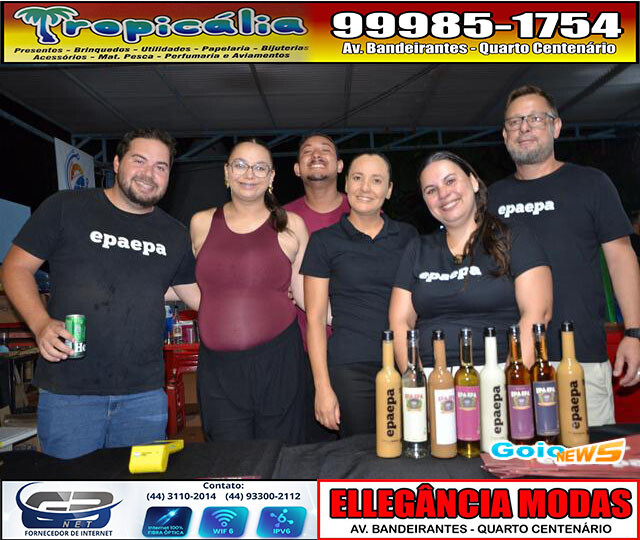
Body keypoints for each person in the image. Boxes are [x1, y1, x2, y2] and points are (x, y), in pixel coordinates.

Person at [1, 128, 200, 459]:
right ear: (117, 163)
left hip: (143, 397)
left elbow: (202, 297)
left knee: (136, 488)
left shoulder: (175, 235)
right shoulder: (66, 207)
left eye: (161, 166)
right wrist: (40, 323)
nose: (149, 174)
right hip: (70, 395)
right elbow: (15, 267)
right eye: (140, 161)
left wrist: (272, 297)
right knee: (71, 487)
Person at [489, 85, 640, 426]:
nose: (524, 127)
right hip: (512, 363)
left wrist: (634, 333)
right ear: (504, 135)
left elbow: (621, 258)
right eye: (515, 121)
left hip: (580, 357)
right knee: (518, 456)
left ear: (556, 127)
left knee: (588, 455)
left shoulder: (591, 184)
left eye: (535, 118)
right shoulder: (491, 198)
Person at [389, 151, 552, 373]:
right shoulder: (417, 248)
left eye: (450, 181)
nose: (443, 193)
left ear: (474, 182)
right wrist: (414, 379)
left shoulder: (513, 237)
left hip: (501, 373)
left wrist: (512, 377)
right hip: (431, 377)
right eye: (431, 190)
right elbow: (400, 322)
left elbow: (537, 313)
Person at [190, 139, 309, 443]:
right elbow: (189, 285)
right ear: (226, 172)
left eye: (259, 167)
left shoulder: (291, 225)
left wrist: (351, 319)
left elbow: (306, 297)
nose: (249, 174)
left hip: (279, 363)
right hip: (218, 370)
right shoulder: (201, 223)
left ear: (271, 177)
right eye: (240, 165)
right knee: (230, 461)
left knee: (279, 456)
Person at [301, 153, 417, 436]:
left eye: (376, 180)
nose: (365, 187)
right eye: (357, 178)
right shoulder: (323, 241)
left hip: (404, 363)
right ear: (346, 184)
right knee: (360, 454)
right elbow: (315, 319)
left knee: (410, 448)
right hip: (350, 367)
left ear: (389, 190)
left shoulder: (408, 237)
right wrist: (322, 388)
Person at [285, 133, 350, 441]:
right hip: (300, 352)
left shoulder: (363, 210)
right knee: (311, 449)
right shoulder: (281, 218)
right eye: (307, 151)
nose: (316, 154)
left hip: (354, 348)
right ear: (297, 169)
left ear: (339, 165)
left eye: (325, 150)